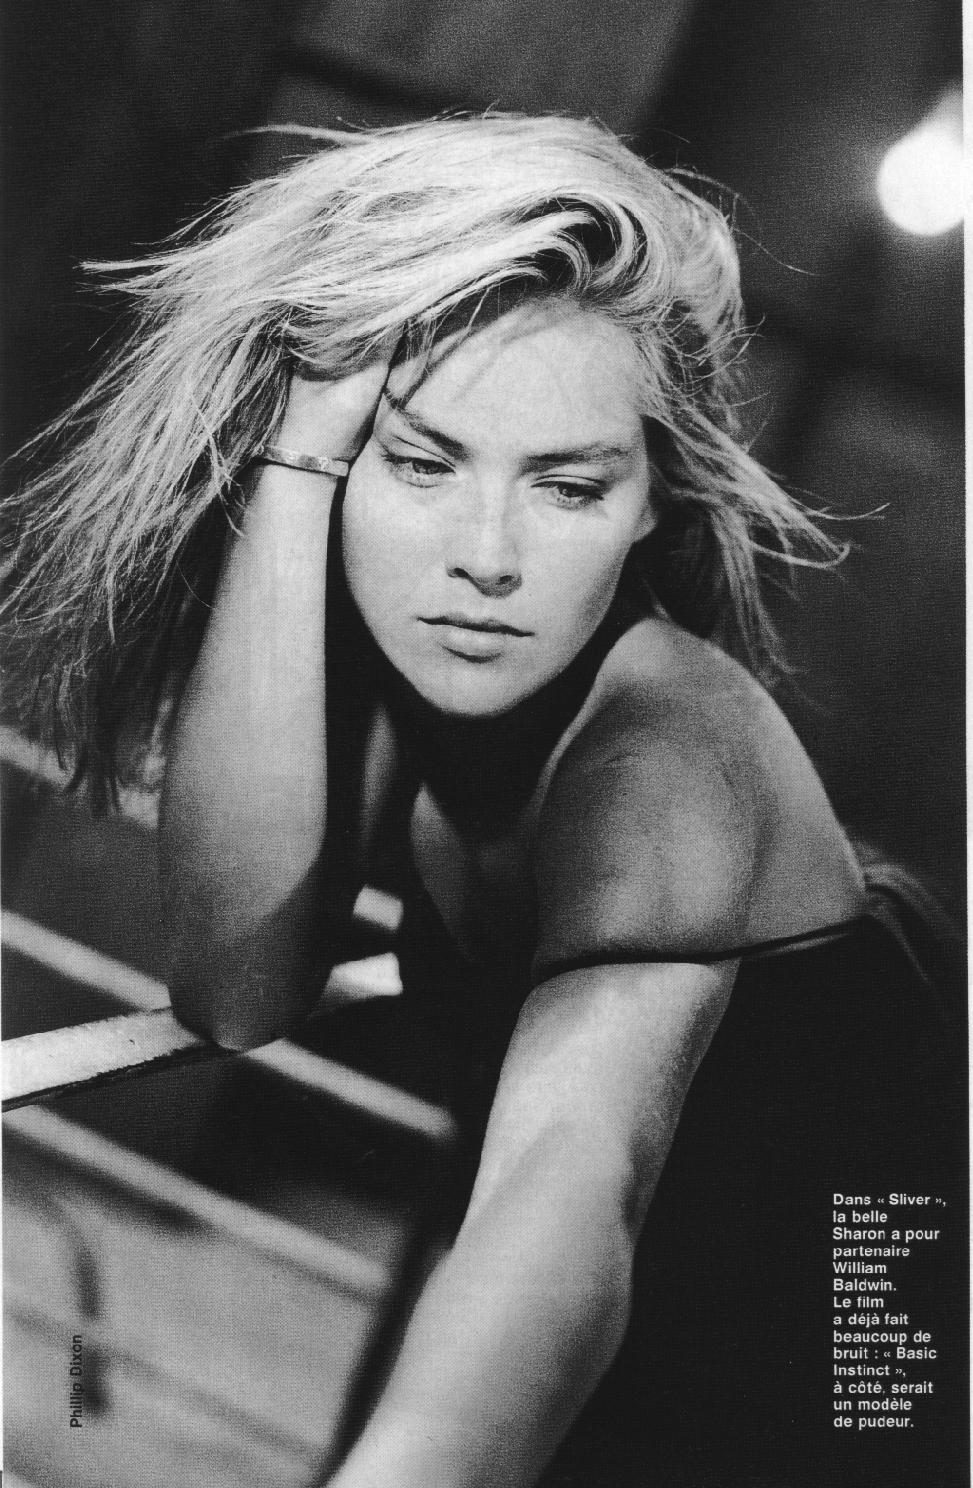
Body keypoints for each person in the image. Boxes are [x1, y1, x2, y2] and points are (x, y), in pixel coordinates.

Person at [4, 116, 961, 1487]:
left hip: (831, 1398)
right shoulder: (416, 682)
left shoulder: (665, 759)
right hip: (618, 1368)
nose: (487, 559)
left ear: (651, 500)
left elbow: (568, 1191)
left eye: (568, 486)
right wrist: (296, 461)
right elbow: (239, 989)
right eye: (422, 463)